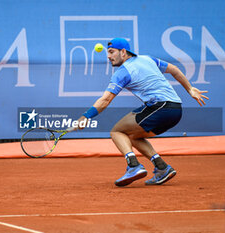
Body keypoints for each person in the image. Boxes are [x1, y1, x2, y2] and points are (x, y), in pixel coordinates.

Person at [74, 38, 208, 187]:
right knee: (132, 135)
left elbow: (105, 100)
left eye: (112, 52)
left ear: (123, 52)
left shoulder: (122, 72)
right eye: (108, 53)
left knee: (117, 132)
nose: (108, 56)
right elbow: (174, 70)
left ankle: (133, 166)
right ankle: (162, 168)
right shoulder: (148, 59)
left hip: (160, 107)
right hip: (176, 110)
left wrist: (86, 116)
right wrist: (190, 89)